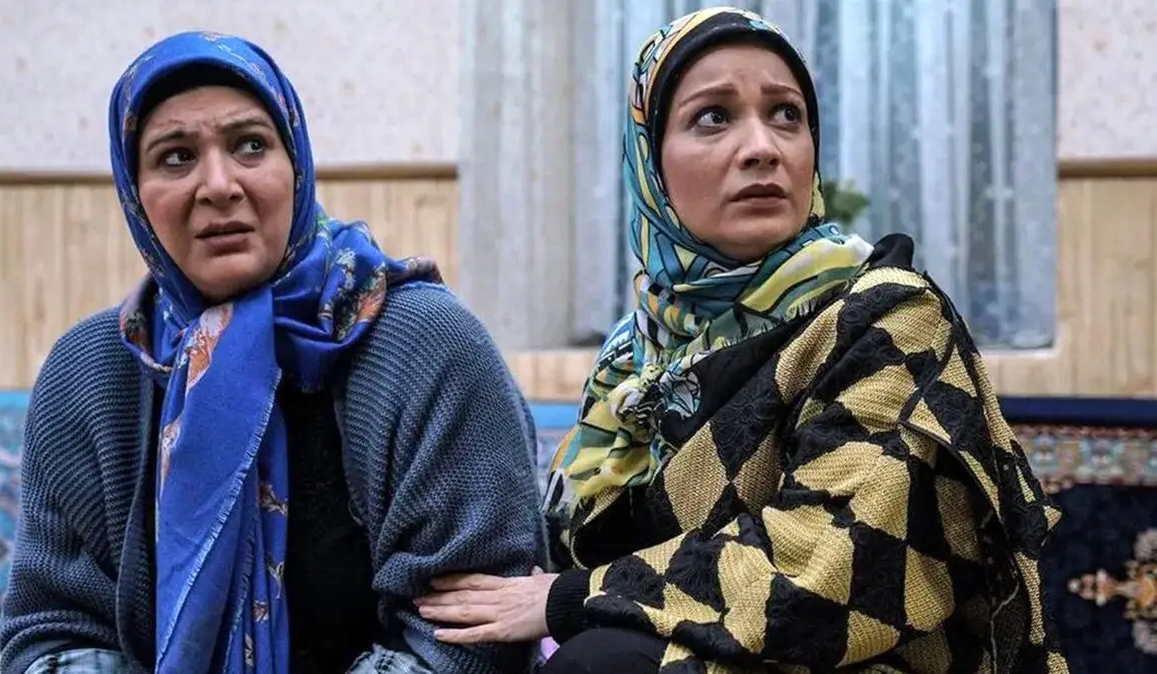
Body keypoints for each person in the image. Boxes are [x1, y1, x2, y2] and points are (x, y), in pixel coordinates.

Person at [414, 8, 1069, 673]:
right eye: (713, 117)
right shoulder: (634, 359)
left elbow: (832, 567)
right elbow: (560, 555)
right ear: (650, 163)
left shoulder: (888, 317)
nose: (762, 147)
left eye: (786, 114)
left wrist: (577, 598)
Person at [0, 31, 545, 674]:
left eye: (250, 145)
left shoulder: (425, 346)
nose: (218, 184)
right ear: (134, 194)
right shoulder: (93, 373)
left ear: (297, 165)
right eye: (175, 157)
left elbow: (472, 644)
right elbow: (53, 635)